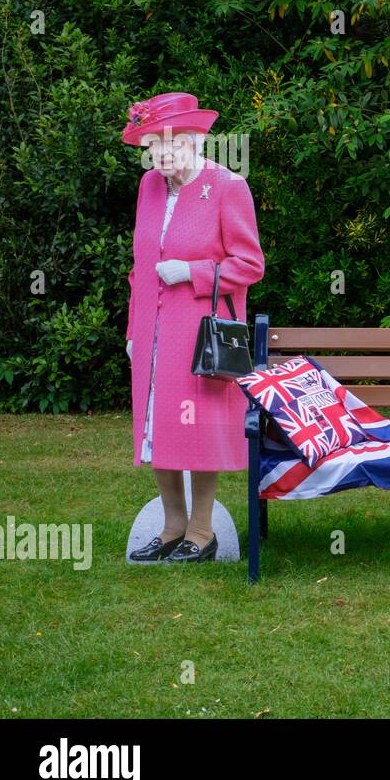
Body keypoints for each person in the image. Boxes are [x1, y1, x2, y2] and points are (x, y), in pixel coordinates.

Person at [123, 93, 264, 563]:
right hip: (152, 332)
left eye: (173, 142)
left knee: (199, 428)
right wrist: (131, 329)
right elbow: (140, 266)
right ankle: (171, 528)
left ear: (197, 140)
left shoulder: (227, 185)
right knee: (155, 426)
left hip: (201, 332)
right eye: (153, 144)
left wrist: (192, 272)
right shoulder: (149, 187)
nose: (163, 153)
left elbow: (250, 264)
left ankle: (202, 533)